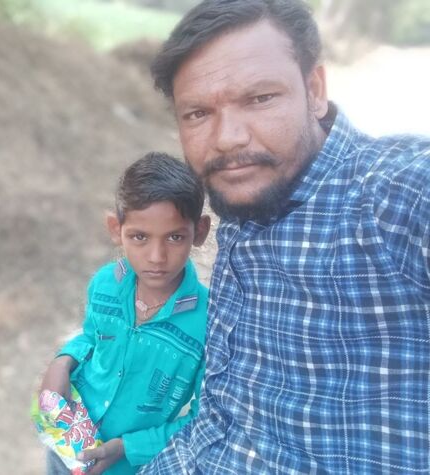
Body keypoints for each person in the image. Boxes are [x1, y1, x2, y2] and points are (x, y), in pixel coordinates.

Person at [139, 0, 430, 474]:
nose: (227, 138)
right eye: (197, 113)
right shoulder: (250, 191)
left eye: (260, 98)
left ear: (314, 91)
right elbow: (219, 416)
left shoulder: (392, 197)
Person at [39, 152, 212, 475]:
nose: (156, 256)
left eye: (175, 237)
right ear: (115, 229)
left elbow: (204, 420)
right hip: (66, 443)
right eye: (139, 237)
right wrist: (62, 362)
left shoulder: (209, 322)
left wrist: (128, 447)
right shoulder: (105, 283)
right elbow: (92, 336)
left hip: (129, 467)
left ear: (199, 231)